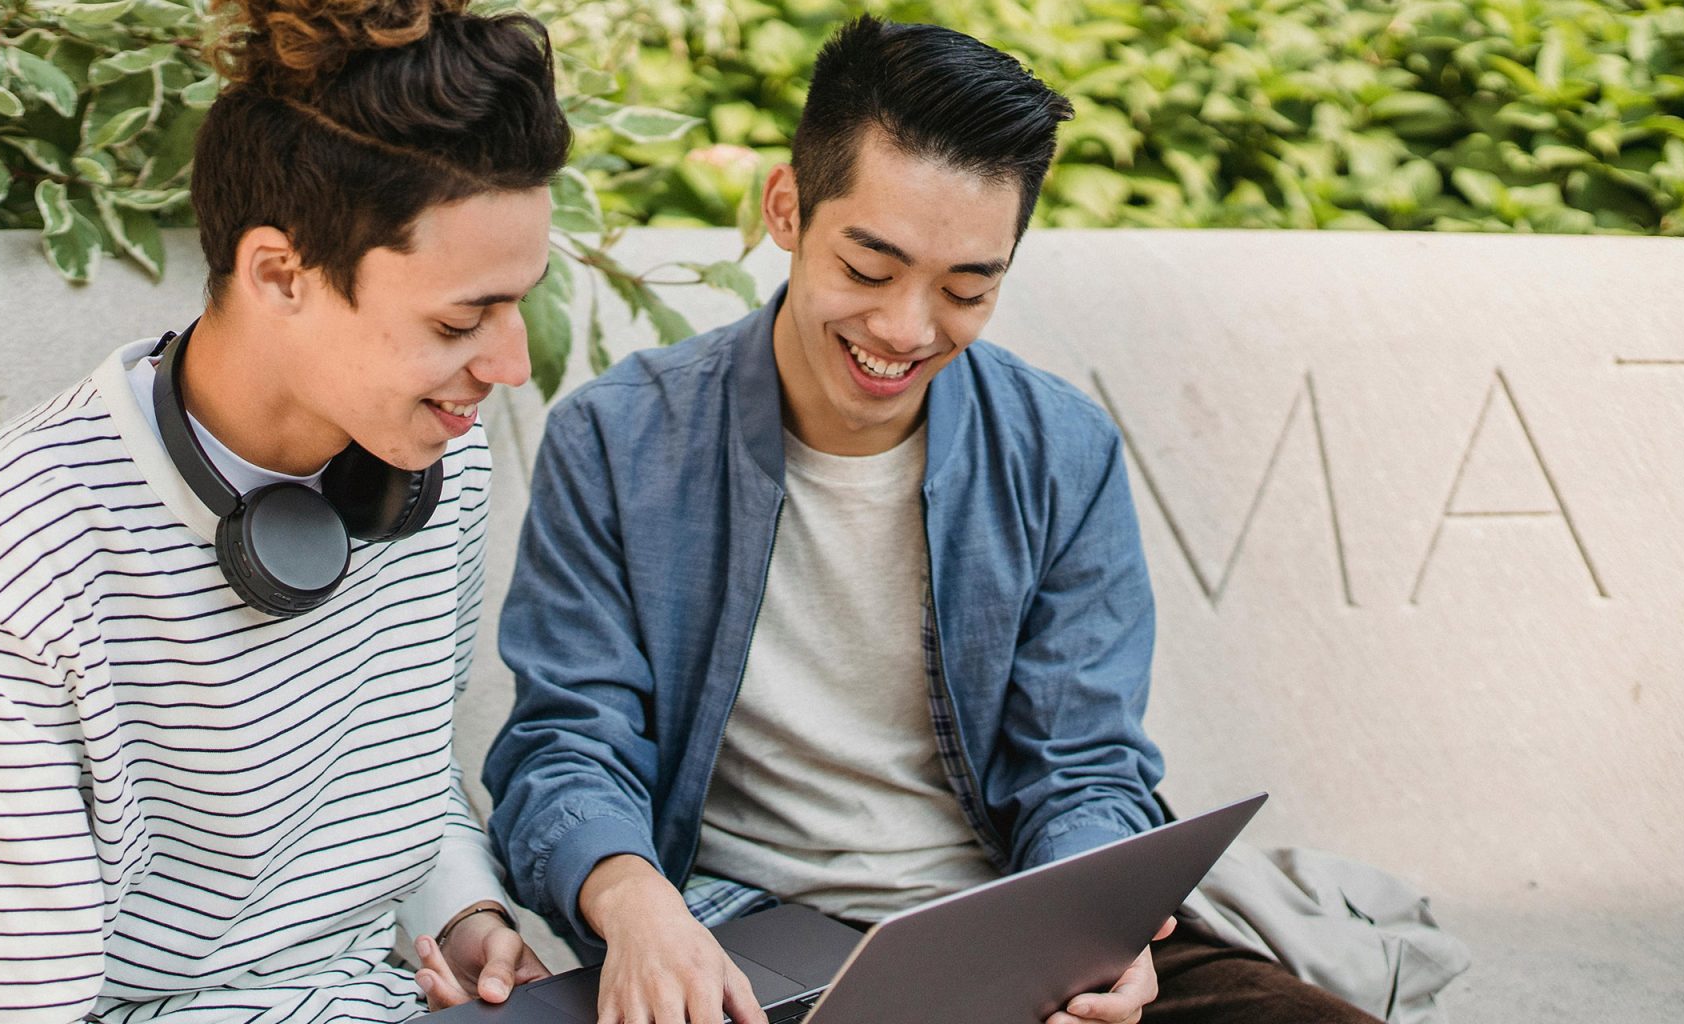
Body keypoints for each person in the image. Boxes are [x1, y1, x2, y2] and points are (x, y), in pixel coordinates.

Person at [485, 16, 1382, 1024]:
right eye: (868, 270)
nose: (905, 331)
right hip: (750, 941)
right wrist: (636, 904)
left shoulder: (1060, 451)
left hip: (1005, 928)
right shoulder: (619, 440)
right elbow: (568, 742)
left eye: (965, 289)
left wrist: (1096, 933)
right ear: (786, 207)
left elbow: (1083, 764)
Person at [0, 1, 568, 1020]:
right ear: (279, 274)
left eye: (516, 303)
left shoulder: (429, 469)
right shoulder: (15, 540)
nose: (507, 365)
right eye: (460, 320)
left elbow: (404, 777)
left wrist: (463, 913)